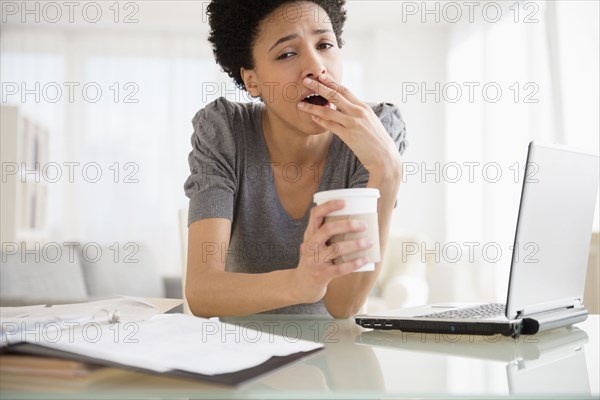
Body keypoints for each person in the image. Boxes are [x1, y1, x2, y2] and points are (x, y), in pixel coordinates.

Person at [184, 0, 407, 318]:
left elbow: (343, 305)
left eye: (325, 44)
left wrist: (387, 169)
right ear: (252, 80)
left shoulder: (376, 134)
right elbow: (202, 292)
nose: (316, 67)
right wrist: (300, 285)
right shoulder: (225, 132)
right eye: (287, 53)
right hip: (242, 353)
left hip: (336, 350)